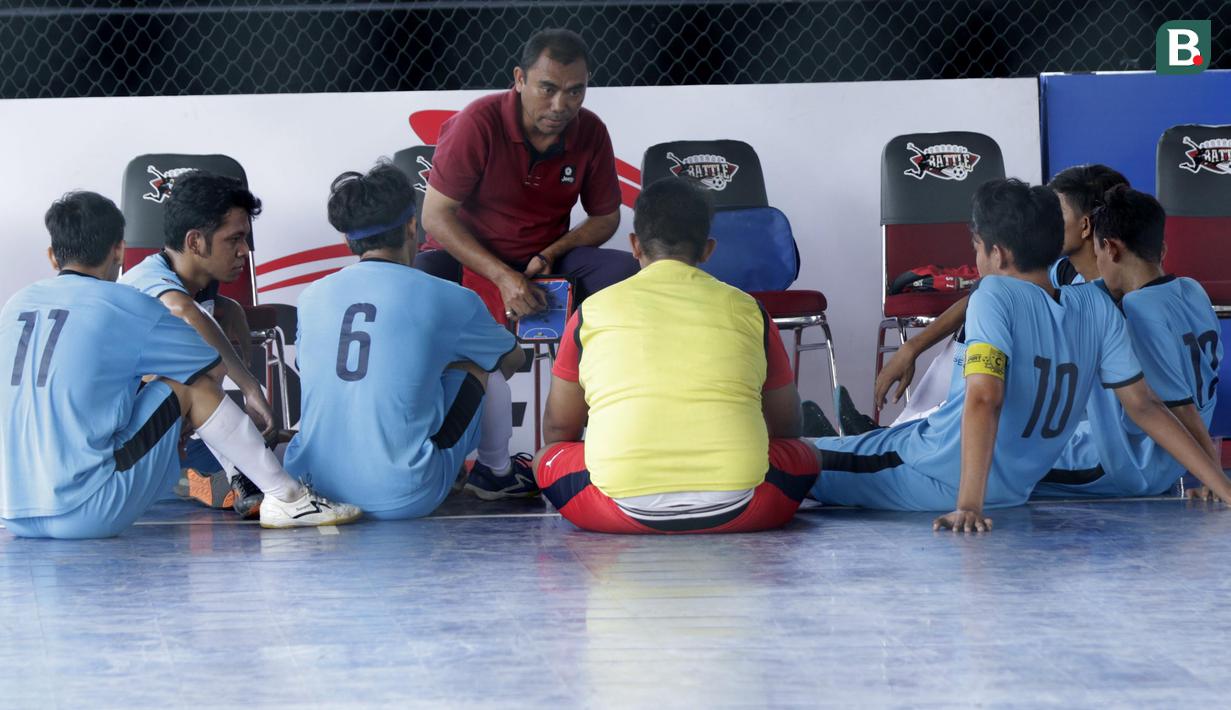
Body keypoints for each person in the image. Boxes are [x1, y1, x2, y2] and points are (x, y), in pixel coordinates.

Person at [811, 178, 1231, 532]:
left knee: (787, 461)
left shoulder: (995, 295)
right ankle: (851, 434)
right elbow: (1146, 405)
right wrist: (1223, 485)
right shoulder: (1097, 304)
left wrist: (970, 506)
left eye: (977, 249)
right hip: (1010, 482)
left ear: (998, 253)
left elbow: (985, 398)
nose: (976, 263)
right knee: (860, 444)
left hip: (939, 470)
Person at [0, 192, 360, 538]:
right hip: (84, 512)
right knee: (190, 384)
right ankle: (288, 498)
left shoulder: (15, 305)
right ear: (118, 249)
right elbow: (209, 368)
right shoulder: (125, 304)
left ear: (52, 256)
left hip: (12, 512)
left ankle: (220, 479)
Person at [418, 28, 639, 500]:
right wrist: (501, 276)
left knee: (622, 275)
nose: (561, 104)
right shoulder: (477, 122)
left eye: (575, 90)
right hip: (471, 256)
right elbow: (435, 215)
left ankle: (608, 436)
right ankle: (434, 451)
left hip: (544, 259)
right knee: (423, 281)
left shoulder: (591, 130)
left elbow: (605, 217)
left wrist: (550, 254)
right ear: (519, 79)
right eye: (548, 88)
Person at [532, 178, 820, 534]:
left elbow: (560, 428)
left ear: (634, 246)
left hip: (619, 511)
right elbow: (787, 426)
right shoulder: (750, 310)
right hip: (744, 508)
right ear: (708, 249)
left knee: (546, 457)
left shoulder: (591, 311)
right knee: (806, 453)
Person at [284, 164, 525, 519]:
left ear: (347, 240)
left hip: (311, 488)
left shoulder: (311, 296)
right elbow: (513, 360)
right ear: (413, 227)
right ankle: (497, 473)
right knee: (481, 363)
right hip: (403, 495)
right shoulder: (449, 297)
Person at [871, 165, 1130, 422]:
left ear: (1085, 226)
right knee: (977, 317)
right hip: (1029, 396)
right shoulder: (1063, 269)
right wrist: (912, 347)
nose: (1045, 220)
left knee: (998, 336)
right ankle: (905, 425)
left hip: (1054, 414)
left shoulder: (1109, 296)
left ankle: (912, 430)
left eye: (1056, 212)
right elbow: (980, 298)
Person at [1034, 186, 1228, 498]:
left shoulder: (1139, 309)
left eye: (1097, 254)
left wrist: (1215, 481)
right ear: (1159, 247)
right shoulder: (1192, 289)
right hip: (1162, 457)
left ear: (1110, 248)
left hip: (1129, 461)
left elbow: (1181, 407)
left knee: (1001, 463)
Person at [119, 172, 271, 517]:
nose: (245, 251)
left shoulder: (200, 284)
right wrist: (250, 388)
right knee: (194, 370)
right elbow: (185, 313)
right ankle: (234, 479)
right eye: (235, 239)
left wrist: (233, 313)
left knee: (225, 317)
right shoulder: (148, 279)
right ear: (195, 242)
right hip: (118, 444)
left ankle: (192, 478)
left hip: (169, 434)